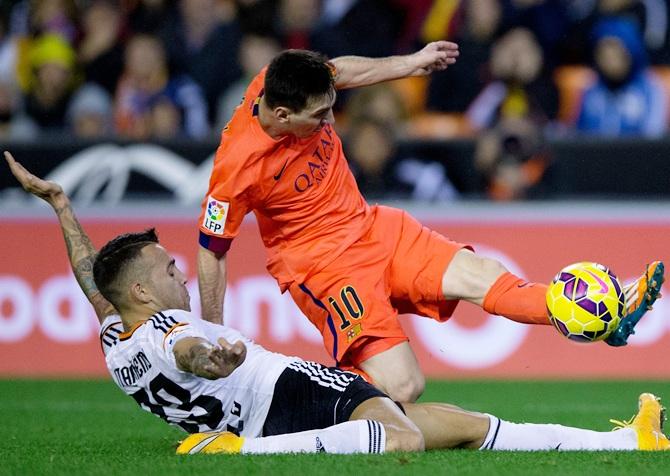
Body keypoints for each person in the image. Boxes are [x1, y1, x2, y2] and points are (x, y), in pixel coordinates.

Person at [5, 151, 669, 455]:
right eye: (168, 269)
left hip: (266, 413)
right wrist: (217, 352)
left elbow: (92, 279)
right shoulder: (169, 327)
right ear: (146, 293)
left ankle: (631, 442)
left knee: (461, 425)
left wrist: (62, 205)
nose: (182, 272)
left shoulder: (117, 338)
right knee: (405, 434)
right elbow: (190, 350)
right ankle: (235, 453)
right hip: (287, 395)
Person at [197, 45, 665, 403]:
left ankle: (606, 320)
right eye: (319, 116)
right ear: (282, 115)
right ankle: (295, 409)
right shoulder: (236, 168)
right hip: (324, 268)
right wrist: (217, 333)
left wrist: (411, 62)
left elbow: (341, 69)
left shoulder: (284, 76)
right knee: (403, 387)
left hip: (374, 228)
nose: (329, 119)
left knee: (483, 277)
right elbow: (211, 251)